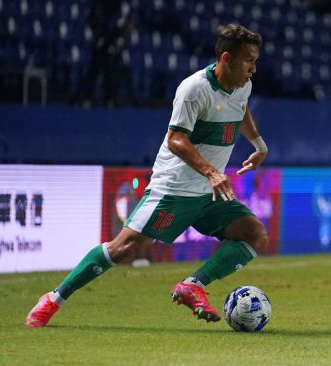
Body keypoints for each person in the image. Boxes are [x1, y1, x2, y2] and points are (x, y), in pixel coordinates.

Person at [26, 24, 269, 327]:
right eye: (249, 60)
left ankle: (193, 285)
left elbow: (241, 107)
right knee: (125, 248)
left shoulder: (242, 84)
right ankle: (53, 299)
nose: (254, 69)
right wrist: (210, 171)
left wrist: (258, 144)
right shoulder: (194, 89)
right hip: (175, 188)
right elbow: (176, 139)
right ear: (226, 58)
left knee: (254, 234)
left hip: (208, 193)